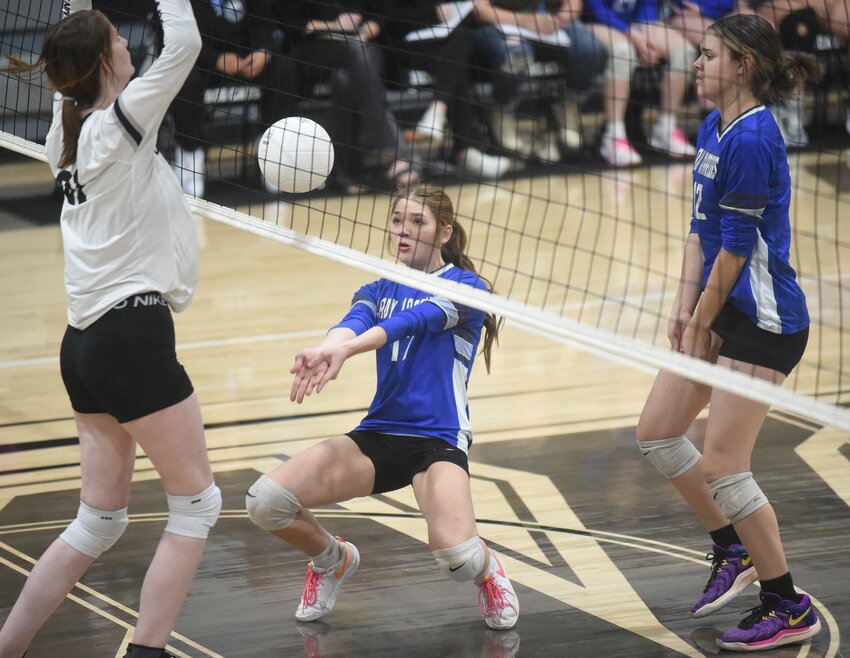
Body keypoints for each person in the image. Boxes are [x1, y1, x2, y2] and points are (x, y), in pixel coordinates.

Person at [0, 1, 221, 657]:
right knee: (197, 506)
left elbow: (79, 42)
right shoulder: (120, 124)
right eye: (120, 39)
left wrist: (77, 9)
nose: (130, 44)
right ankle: (147, 653)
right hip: (131, 340)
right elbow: (184, 39)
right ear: (105, 62)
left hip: (83, 347)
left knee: (99, 520)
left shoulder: (62, 135)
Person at [244, 184, 519, 631]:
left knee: (459, 557)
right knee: (265, 502)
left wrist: (348, 351)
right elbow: (350, 324)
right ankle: (331, 559)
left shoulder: (466, 289)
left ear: (444, 232)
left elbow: (409, 322)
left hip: (437, 440)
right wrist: (326, 348)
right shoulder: (377, 285)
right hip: (379, 436)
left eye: (417, 222)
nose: (403, 230)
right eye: (397, 221)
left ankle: (489, 570)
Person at [635, 14, 822, 652]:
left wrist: (703, 322)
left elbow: (737, 252)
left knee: (722, 467)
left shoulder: (753, 139)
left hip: (766, 322)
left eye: (706, 55)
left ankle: (788, 604)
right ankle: (731, 546)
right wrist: (685, 309)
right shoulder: (714, 126)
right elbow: (700, 231)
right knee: (658, 433)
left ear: (741, 65)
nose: (694, 64)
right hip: (722, 306)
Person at [168, 0, 289, 198]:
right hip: (202, 60)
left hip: (248, 60)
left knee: (284, 68)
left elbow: (265, 23)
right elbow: (177, 36)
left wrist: (263, 51)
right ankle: (190, 153)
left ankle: (270, 148)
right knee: (184, 80)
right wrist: (215, 59)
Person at [471, 0, 607, 159]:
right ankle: (502, 109)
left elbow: (574, 4)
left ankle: (567, 108)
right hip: (501, 22)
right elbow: (479, 10)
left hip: (552, 20)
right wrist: (523, 21)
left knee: (590, 49)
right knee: (516, 55)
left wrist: (558, 19)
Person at [585, 0, 697, 166]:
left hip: (638, 24)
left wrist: (645, 34)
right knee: (624, 52)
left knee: (684, 52)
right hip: (596, 22)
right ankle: (613, 137)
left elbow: (648, 4)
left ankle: (665, 128)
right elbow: (596, 9)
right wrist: (632, 34)